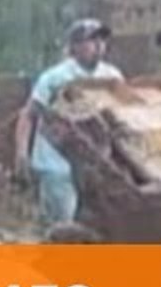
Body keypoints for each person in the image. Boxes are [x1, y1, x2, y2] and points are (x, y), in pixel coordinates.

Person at [14, 19, 124, 227]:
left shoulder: (112, 77)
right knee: (62, 221)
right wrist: (21, 153)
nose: (98, 45)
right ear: (75, 46)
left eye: (101, 39)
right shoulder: (55, 77)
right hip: (56, 161)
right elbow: (29, 114)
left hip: (98, 163)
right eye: (91, 40)